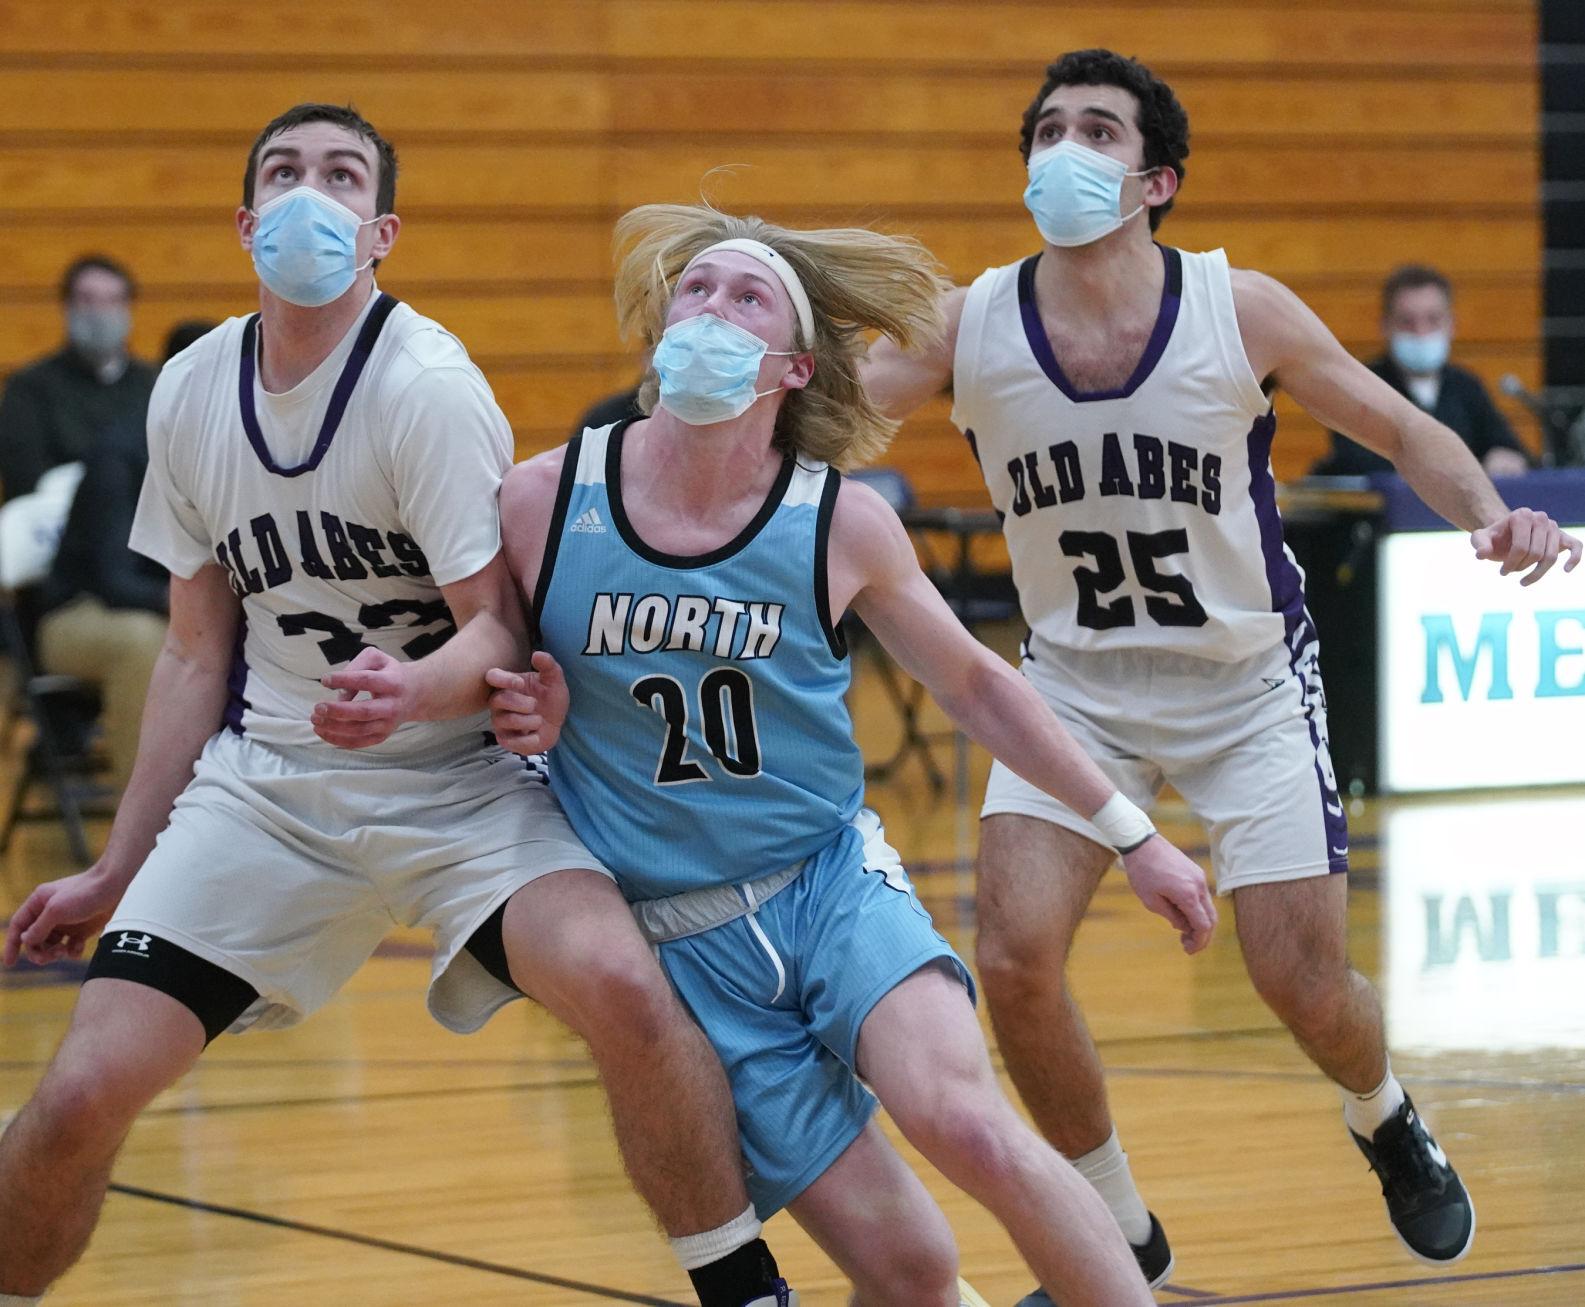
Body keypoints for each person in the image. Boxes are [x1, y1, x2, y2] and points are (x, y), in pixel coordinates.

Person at [0, 104, 796, 1307]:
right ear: (244, 218)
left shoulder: (424, 384)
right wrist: (117, 863)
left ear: (381, 232)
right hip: (268, 788)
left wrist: (413, 688)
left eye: (338, 176)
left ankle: (747, 1287)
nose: (306, 193)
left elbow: (502, 624)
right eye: (282, 170)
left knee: (628, 990)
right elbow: (189, 653)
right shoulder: (191, 388)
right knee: (76, 1093)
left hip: (457, 782)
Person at [861, 48, 1581, 1302]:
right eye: (1045, 129)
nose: (1063, 149)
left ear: (1156, 179)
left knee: (1298, 979)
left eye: (1097, 130)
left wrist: (1489, 513)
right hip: (1074, 687)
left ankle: (1383, 1108)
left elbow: (1402, 427)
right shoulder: (970, 320)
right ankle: (1119, 1225)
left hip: (1246, 681)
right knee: (1016, 956)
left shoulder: (1233, 308)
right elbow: (821, 418)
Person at [461, 203, 1218, 1307]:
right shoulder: (541, 498)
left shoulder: (839, 521)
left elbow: (977, 683)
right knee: (912, 1271)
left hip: (826, 883)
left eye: (745, 295)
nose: (710, 308)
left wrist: (1133, 833)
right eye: (696, 289)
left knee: (966, 1119)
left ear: (791, 365)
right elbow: (478, 668)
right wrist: (515, 708)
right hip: (680, 938)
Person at [35, 322, 216, 794]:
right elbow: (114, 579)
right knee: (146, 644)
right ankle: (146, 824)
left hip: (174, 608)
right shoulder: (122, 452)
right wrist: (203, 604)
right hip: (80, 613)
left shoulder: (224, 449)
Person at [1313, 264, 1531, 478]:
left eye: (1433, 320)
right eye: (1407, 322)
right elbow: (1356, 461)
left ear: (1451, 324)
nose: (1421, 332)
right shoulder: (1360, 384)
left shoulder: (1466, 386)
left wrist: (1505, 457)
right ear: (1385, 326)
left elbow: (1509, 448)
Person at [0, 256, 157, 502]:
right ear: (67, 306)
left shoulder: (155, 384)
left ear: (128, 308)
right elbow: (24, 481)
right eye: (87, 300)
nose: (100, 313)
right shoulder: (28, 388)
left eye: (112, 300)